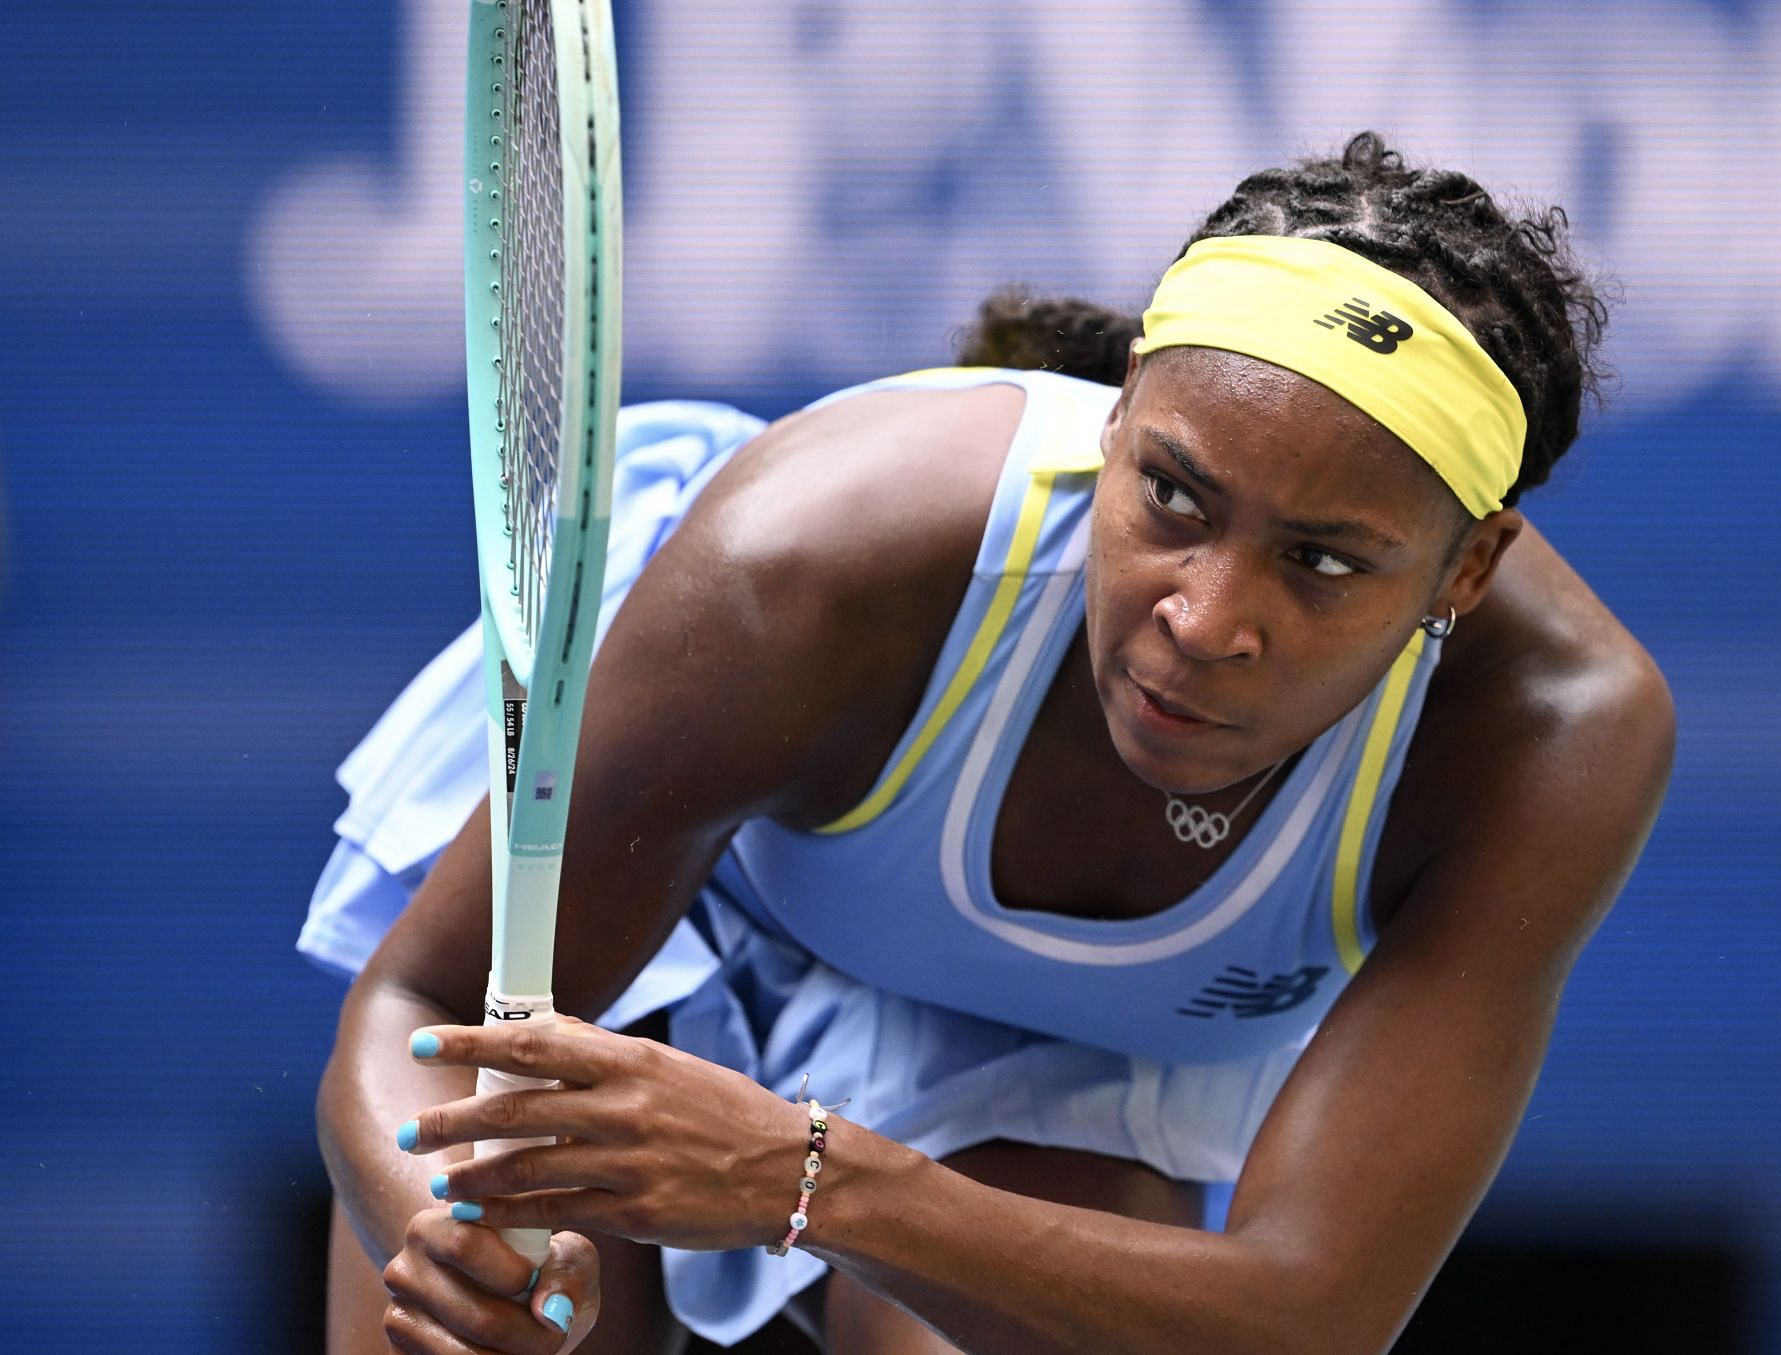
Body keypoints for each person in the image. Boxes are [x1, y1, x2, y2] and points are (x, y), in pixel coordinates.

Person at [303, 132, 1673, 1354]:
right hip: (689, 915)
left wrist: (803, 1179)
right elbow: (418, 1006)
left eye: (1321, 562)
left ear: (1467, 571)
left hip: (1044, 1074)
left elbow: (1306, 1315)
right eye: (1176, 497)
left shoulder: (1552, 737)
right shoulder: (811, 560)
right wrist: (459, 1253)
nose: (1204, 622)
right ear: (1122, 410)